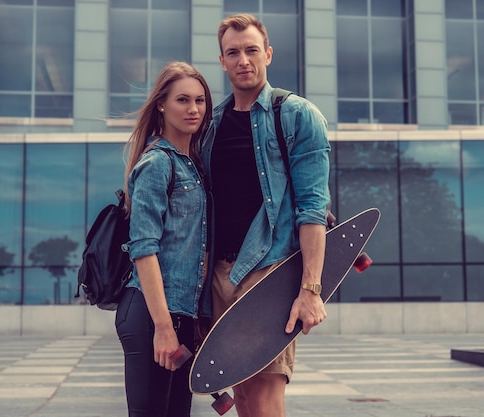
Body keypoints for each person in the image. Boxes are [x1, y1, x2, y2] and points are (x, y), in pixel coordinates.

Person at [201, 13, 331, 417]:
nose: (243, 60)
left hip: (269, 269)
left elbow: (313, 207)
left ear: (268, 54)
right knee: (241, 394)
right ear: (222, 61)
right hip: (219, 274)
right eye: (233, 52)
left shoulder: (296, 115)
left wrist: (310, 289)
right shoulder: (210, 124)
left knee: (264, 394)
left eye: (252, 50)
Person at [116, 61, 213, 417]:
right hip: (150, 312)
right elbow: (144, 249)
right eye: (183, 100)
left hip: (182, 315)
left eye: (200, 101)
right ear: (161, 104)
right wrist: (162, 326)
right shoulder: (157, 163)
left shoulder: (194, 165)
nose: (193, 109)